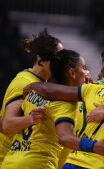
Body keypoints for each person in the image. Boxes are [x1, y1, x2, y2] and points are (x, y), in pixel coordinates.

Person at [1, 49, 104, 168]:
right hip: (38, 163)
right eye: (84, 68)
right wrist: (94, 146)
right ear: (72, 73)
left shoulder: (33, 93)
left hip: (11, 160)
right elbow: (64, 137)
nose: (88, 73)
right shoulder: (66, 103)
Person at [0, 28, 63, 165]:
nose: (61, 63)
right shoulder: (24, 82)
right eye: (58, 58)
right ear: (42, 59)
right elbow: (6, 124)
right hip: (6, 155)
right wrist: (30, 119)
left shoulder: (43, 84)